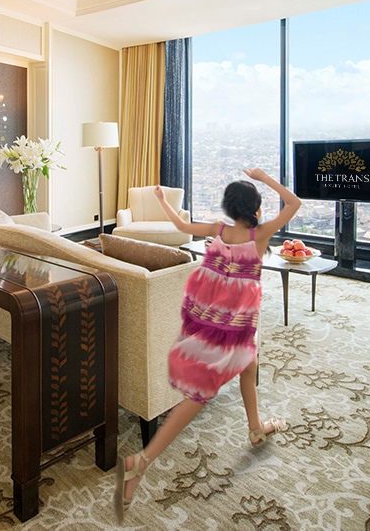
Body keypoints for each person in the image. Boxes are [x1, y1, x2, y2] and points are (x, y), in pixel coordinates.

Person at [113, 169, 302, 521]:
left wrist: (161, 200)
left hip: (216, 319)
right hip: (232, 327)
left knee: (250, 365)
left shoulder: (218, 230)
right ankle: (141, 462)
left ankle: (255, 429)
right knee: (200, 395)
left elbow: (180, 226)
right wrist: (264, 177)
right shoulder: (259, 234)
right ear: (255, 209)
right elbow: (294, 203)